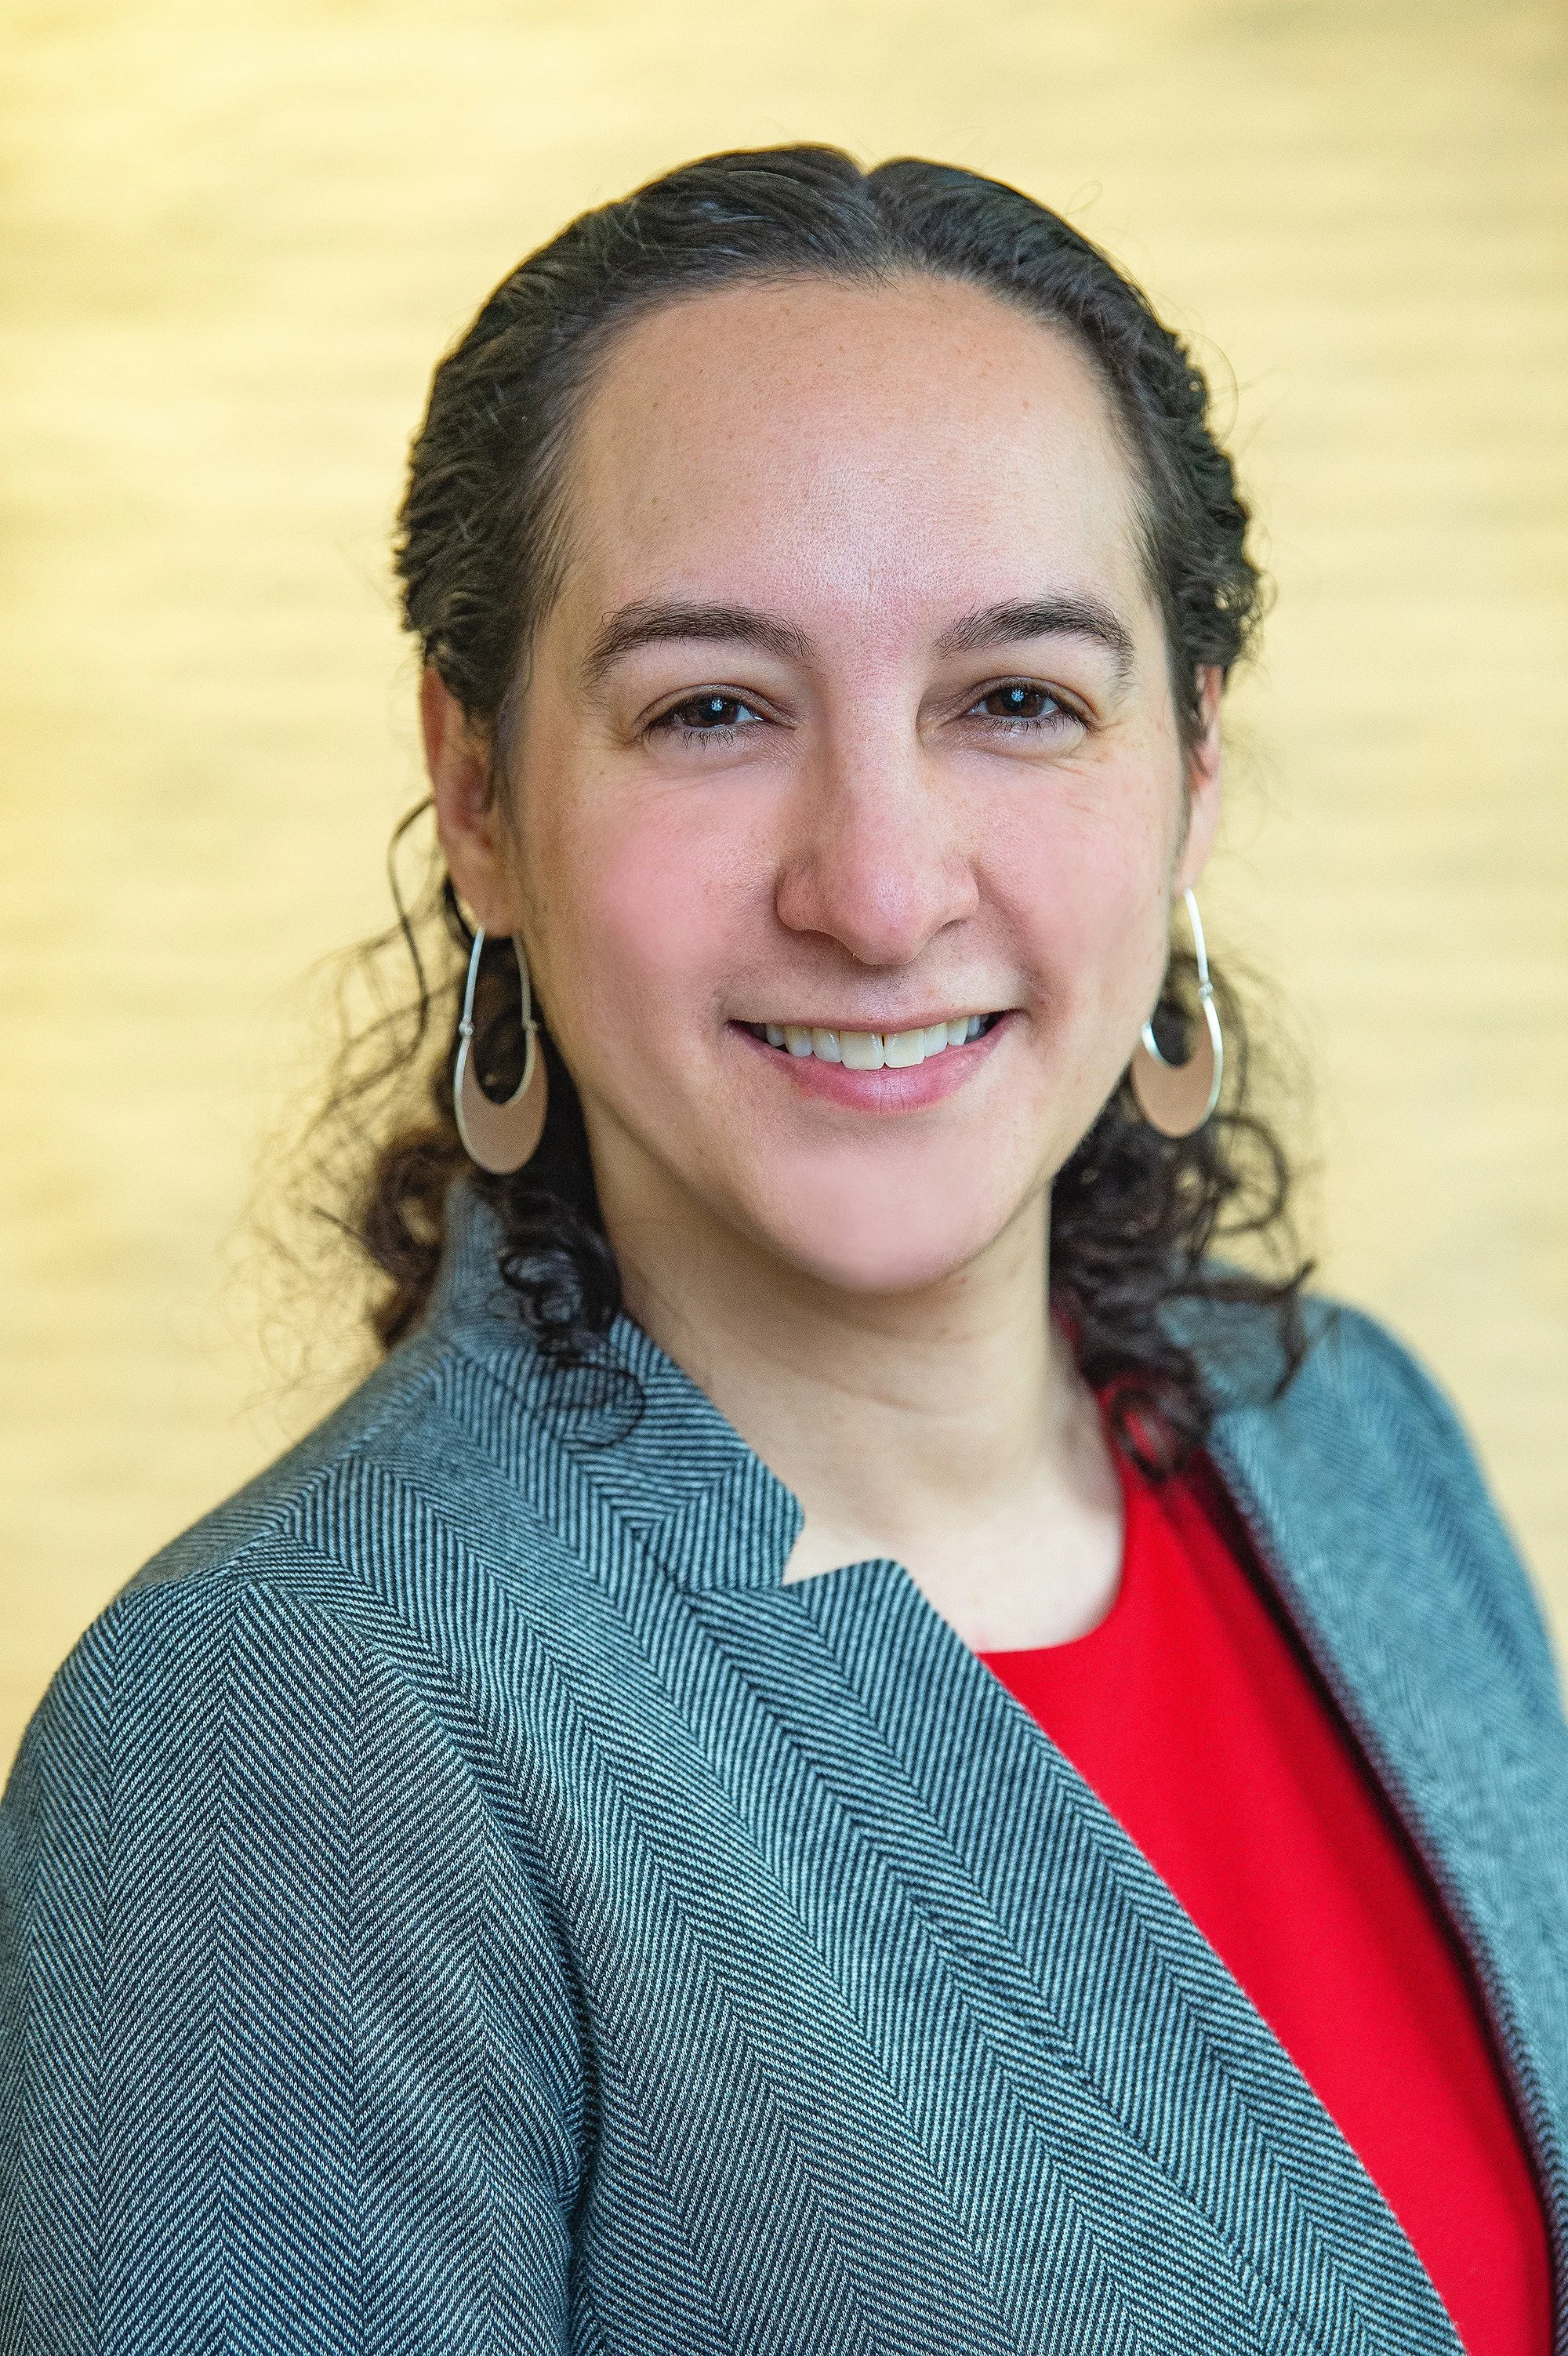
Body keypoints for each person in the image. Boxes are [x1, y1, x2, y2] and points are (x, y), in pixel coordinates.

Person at [2, 146, 1563, 2356]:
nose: (877, 883)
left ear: (1194, 764)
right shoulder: (292, 1739)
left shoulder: (1354, 1437)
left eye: (1018, 696)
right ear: (479, 791)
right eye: (713, 707)